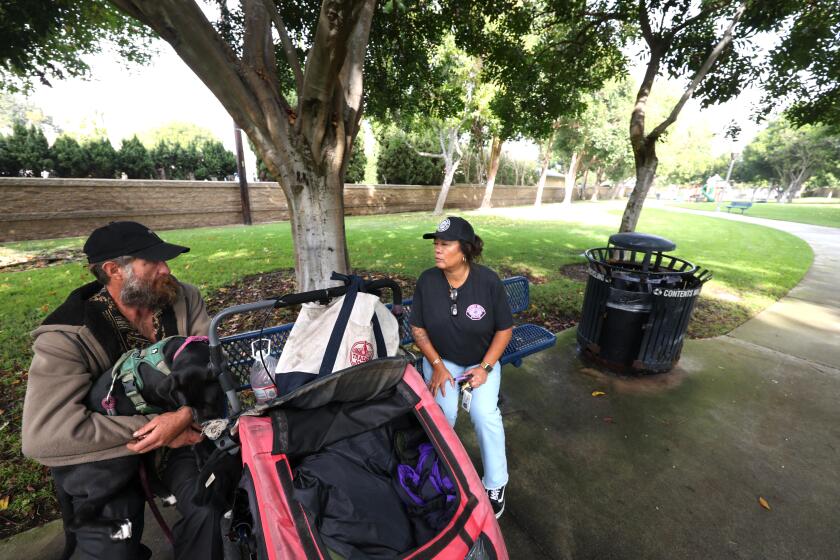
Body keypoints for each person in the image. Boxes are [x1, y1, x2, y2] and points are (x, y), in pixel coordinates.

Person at [21, 221, 224, 559]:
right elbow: (43, 435)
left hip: (184, 436)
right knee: (113, 548)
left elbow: (215, 369)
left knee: (213, 507)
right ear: (114, 270)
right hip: (107, 452)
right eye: (153, 262)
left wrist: (184, 416)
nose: (166, 269)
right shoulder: (65, 336)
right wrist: (157, 430)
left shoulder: (183, 298)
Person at [408, 216, 513, 518]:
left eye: (445, 244)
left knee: (483, 413)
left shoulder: (487, 282)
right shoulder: (428, 281)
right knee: (445, 414)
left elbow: (504, 330)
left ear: (464, 249)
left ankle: (495, 483)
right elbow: (418, 329)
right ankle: (440, 468)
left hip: (481, 363)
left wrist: (485, 368)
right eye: (435, 244)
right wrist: (437, 365)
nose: (437, 250)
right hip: (442, 360)